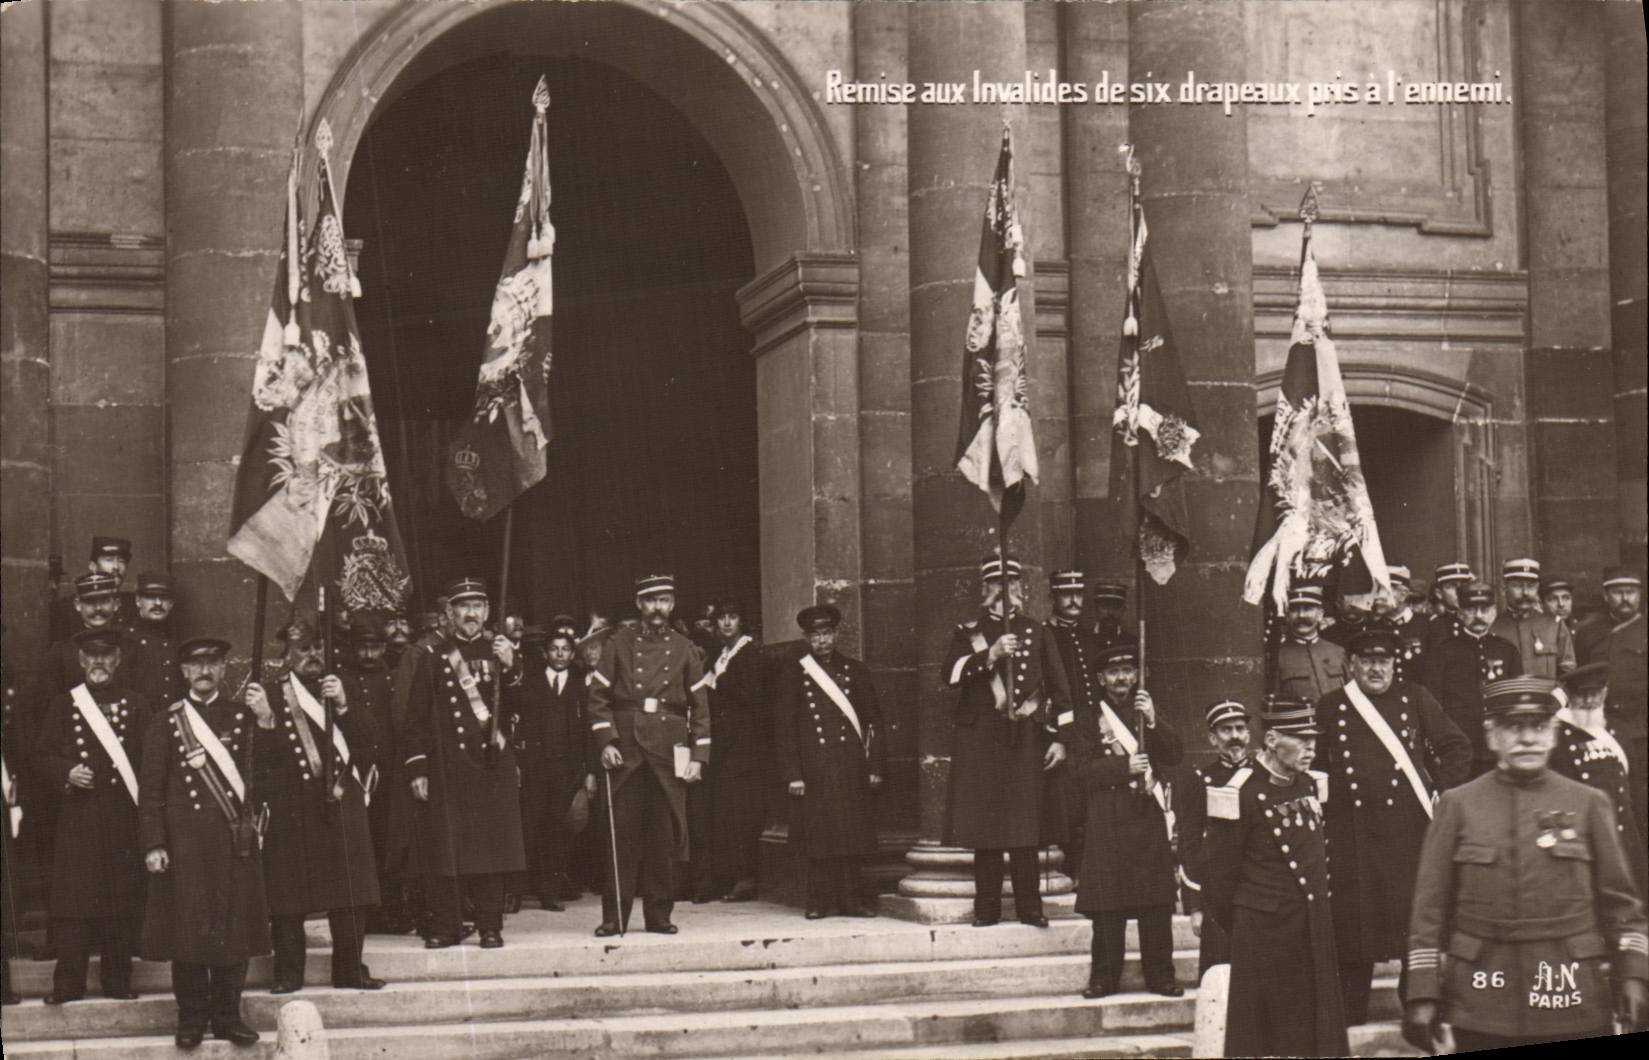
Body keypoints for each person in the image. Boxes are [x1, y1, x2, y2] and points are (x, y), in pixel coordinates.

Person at [1402, 675, 1648, 1052]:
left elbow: (1622, 906)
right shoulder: (1458, 805)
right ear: (1491, 735)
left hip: (1571, 992)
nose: (1527, 739)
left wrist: (1634, 976)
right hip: (1483, 998)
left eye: (1537, 727)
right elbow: (1428, 910)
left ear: (1553, 733)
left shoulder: (1588, 803)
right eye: (1513, 727)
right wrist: (1422, 992)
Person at [1313, 627, 1472, 1025]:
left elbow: (1457, 746)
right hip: (1351, 831)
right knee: (1352, 918)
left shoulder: (1415, 697)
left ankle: (1413, 1001)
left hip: (1408, 828)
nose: (1375, 669)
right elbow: (1315, 766)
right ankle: (1351, 1005)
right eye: (1367, 661)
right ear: (1352, 665)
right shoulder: (1331, 706)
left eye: (1383, 661)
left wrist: (1442, 792)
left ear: (1394, 664)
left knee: (1411, 917)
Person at [139, 637, 269, 1049]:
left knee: (233, 934)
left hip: (234, 843)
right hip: (186, 848)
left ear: (224, 668)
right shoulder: (166, 722)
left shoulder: (243, 717)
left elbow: (268, 772)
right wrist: (154, 843)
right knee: (189, 937)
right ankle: (192, 1017)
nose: (204, 671)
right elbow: (151, 792)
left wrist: (265, 718)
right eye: (195, 665)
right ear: (183, 672)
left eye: (212, 663)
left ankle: (228, 1016)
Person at [245, 619, 384, 993]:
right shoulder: (271, 694)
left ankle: (350, 969)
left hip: (341, 802)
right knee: (289, 897)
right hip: (292, 805)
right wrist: (265, 720)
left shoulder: (344, 687)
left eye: (318, 648)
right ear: (288, 655)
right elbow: (259, 762)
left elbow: (370, 741)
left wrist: (344, 705)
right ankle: (289, 974)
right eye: (304, 649)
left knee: (351, 893)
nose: (312, 656)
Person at [1204, 696, 1347, 1058]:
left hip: (1310, 926)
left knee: (1313, 1035)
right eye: (1301, 738)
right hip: (1264, 932)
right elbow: (1220, 880)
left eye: (1313, 739)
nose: (1310, 748)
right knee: (1266, 1038)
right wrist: (1253, 920)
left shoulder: (1309, 784)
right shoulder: (1238, 792)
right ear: (1271, 740)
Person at [943, 554, 1072, 929]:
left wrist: (1061, 741)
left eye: (1010, 584)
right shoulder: (969, 632)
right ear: (986, 590)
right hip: (981, 741)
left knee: (1025, 828)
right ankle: (987, 907)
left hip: (1026, 739)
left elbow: (1061, 692)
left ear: (1019, 588)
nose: (1004, 591)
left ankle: (1030, 905)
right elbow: (948, 675)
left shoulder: (1037, 630)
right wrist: (990, 654)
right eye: (996, 584)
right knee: (987, 829)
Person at [402, 578, 527, 949]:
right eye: (463, 607)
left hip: (490, 764)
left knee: (491, 849)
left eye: (477, 606)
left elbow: (525, 710)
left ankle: (490, 926)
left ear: (487, 612)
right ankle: (447, 925)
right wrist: (418, 767)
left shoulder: (502, 652)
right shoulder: (433, 656)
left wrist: (513, 669)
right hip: (448, 767)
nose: (471, 613)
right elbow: (416, 718)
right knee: (447, 850)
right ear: (449, 614)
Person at [587, 574, 710, 936]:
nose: (659, 608)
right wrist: (607, 741)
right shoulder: (618, 644)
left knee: (662, 837)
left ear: (672, 605)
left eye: (665, 601)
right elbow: (597, 698)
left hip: (669, 750)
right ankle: (615, 917)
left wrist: (699, 757)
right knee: (620, 838)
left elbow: (700, 708)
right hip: (626, 750)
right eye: (652, 600)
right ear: (639, 604)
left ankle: (659, 915)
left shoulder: (686, 647)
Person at [33, 628, 152, 1004]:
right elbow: (41, 757)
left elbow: (149, 762)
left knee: (121, 902)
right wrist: (66, 771)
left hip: (121, 819)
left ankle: (118, 981)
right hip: (79, 821)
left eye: (107, 655)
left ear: (118, 660)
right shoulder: (63, 704)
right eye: (91, 656)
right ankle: (68, 985)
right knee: (74, 906)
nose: (99, 662)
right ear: (81, 660)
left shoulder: (137, 705)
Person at [1069, 640, 1182, 998]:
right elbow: (1080, 770)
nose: (1121, 678)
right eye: (1114, 672)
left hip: (1145, 815)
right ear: (1101, 678)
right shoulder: (1087, 718)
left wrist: (1152, 719)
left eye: (1127, 671)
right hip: (1108, 818)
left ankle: (1161, 975)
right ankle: (1104, 977)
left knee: (1155, 902)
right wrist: (1123, 766)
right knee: (1108, 905)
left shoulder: (1145, 711)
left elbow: (1175, 754)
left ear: (1136, 674)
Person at [775, 604, 885, 918]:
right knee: (819, 837)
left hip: (850, 766)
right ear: (806, 638)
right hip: (815, 768)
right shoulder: (794, 674)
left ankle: (851, 901)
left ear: (835, 634)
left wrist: (875, 766)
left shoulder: (855, 670)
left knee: (851, 834)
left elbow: (873, 721)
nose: (821, 640)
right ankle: (818, 902)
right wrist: (793, 774)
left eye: (826, 633)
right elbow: (785, 728)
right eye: (815, 635)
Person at [690, 598, 769, 903]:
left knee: (741, 814)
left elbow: (748, 701)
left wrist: (714, 691)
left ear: (741, 622)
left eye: (732, 617)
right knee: (726, 815)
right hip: (726, 749)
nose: (726, 623)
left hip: (744, 749)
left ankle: (746, 878)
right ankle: (730, 876)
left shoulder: (749, 655)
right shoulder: (721, 656)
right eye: (721, 618)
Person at [510, 619, 589, 911]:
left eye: (565, 650)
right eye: (554, 649)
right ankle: (515, 892)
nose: (559, 654)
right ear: (545, 653)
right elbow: (517, 726)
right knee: (529, 828)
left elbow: (588, 733)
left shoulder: (580, 688)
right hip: (535, 769)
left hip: (565, 771)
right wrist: (518, 763)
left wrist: (587, 771)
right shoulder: (529, 685)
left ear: (572, 654)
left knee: (555, 832)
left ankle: (548, 893)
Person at [1174, 699, 1253, 980]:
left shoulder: (1263, 776)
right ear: (1212, 738)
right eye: (1226, 730)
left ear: (1249, 735)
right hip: (1217, 895)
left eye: (1240, 728)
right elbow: (1190, 844)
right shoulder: (1199, 781)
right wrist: (1195, 906)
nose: (1235, 736)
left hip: (1257, 892)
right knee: (1219, 973)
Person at [1552, 661, 1647, 890]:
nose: (1589, 701)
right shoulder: (1557, 739)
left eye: (1595, 694)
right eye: (1582, 696)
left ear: (1604, 693)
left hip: (1626, 840)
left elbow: (1635, 792)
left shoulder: (1618, 732)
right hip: (1585, 843)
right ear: (1570, 697)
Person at [1420, 580, 1520, 775]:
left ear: (1494, 612)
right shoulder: (1444, 652)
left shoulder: (1507, 650)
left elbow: (1516, 700)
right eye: (1472, 609)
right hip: (1459, 748)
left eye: (1485, 609)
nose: (1479, 616)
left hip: (1498, 747)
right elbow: (1433, 703)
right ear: (1460, 613)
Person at [1042, 570, 1105, 880]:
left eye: (1078, 593)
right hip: (1064, 731)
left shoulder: (1090, 638)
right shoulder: (1046, 636)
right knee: (1068, 806)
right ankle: (1069, 871)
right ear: (1053, 597)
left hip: (1092, 729)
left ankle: (1089, 872)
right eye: (1066, 594)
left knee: (1093, 804)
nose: (1073, 600)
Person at [1593, 567, 1646, 840]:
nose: (1625, 598)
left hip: (1640, 733)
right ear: (1606, 595)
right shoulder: (1587, 632)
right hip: (1601, 731)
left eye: (1631, 592)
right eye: (1617, 592)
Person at [1489, 558, 1576, 681]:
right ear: (1504, 588)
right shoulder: (1493, 627)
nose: (1525, 593)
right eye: (1517, 586)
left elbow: (1568, 673)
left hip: (1545, 699)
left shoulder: (1555, 625)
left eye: (1530, 587)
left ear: (1537, 587)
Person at [1274, 583, 1348, 703]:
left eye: (1308, 608)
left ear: (1320, 615)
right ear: (1287, 616)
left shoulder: (1338, 652)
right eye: (1294, 610)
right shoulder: (1278, 656)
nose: (1301, 615)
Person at [125, 572, 182, 705]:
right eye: (151, 597)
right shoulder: (126, 641)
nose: (158, 603)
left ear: (171, 603)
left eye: (164, 598)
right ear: (138, 601)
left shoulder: (173, 643)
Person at [1370, 565, 1428, 683]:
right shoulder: (1372, 629)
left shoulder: (1428, 626)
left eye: (1385, 590)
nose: (1378, 596)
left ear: (1403, 594)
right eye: (1377, 590)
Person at [1423, 560, 1475, 646]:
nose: (1459, 591)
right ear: (1439, 593)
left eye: (1464, 585)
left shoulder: (1479, 622)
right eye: (1451, 586)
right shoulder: (1432, 627)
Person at [1090, 581, 1128, 648]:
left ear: (1123, 610)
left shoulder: (1131, 642)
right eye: (1105, 606)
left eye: (1116, 606)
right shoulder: (1084, 639)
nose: (1110, 612)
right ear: (1095, 607)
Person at [1541, 573, 1578, 640]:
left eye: (1566, 598)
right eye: (1553, 599)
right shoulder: (1536, 632)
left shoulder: (1580, 631)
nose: (1561, 604)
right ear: (1541, 604)